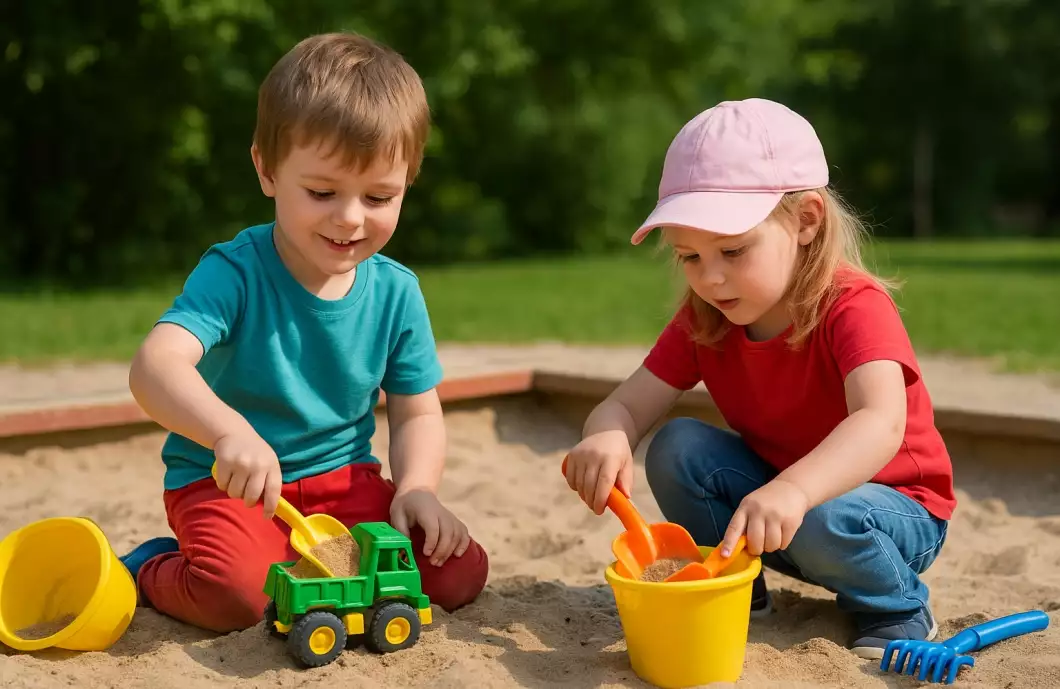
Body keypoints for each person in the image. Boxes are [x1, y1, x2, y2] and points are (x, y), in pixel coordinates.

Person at [120, 32, 488, 633]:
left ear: (408, 181)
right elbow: (154, 367)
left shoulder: (396, 292)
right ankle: (151, 565)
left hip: (344, 483)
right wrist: (226, 433)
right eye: (322, 192)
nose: (349, 217)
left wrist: (418, 488)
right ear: (266, 170)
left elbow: (418, 411)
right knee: (239, 598)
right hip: (229, 484)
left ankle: (290, 556)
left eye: (378, 196)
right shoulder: (234, 273)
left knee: (455, 574)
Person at [562, 98, 954, 659]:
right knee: (676, 446)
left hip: (891, 515)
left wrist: (794, 490)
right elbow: (625, 406)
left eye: (733, 250)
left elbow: (881, 423)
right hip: (777, 507)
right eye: (689, 256)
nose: (711, 278)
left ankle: (895, 604)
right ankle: (739, 584)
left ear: (806, 220)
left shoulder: (852, 306)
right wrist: (606, 434)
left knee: (824, 511)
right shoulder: (706, 320)